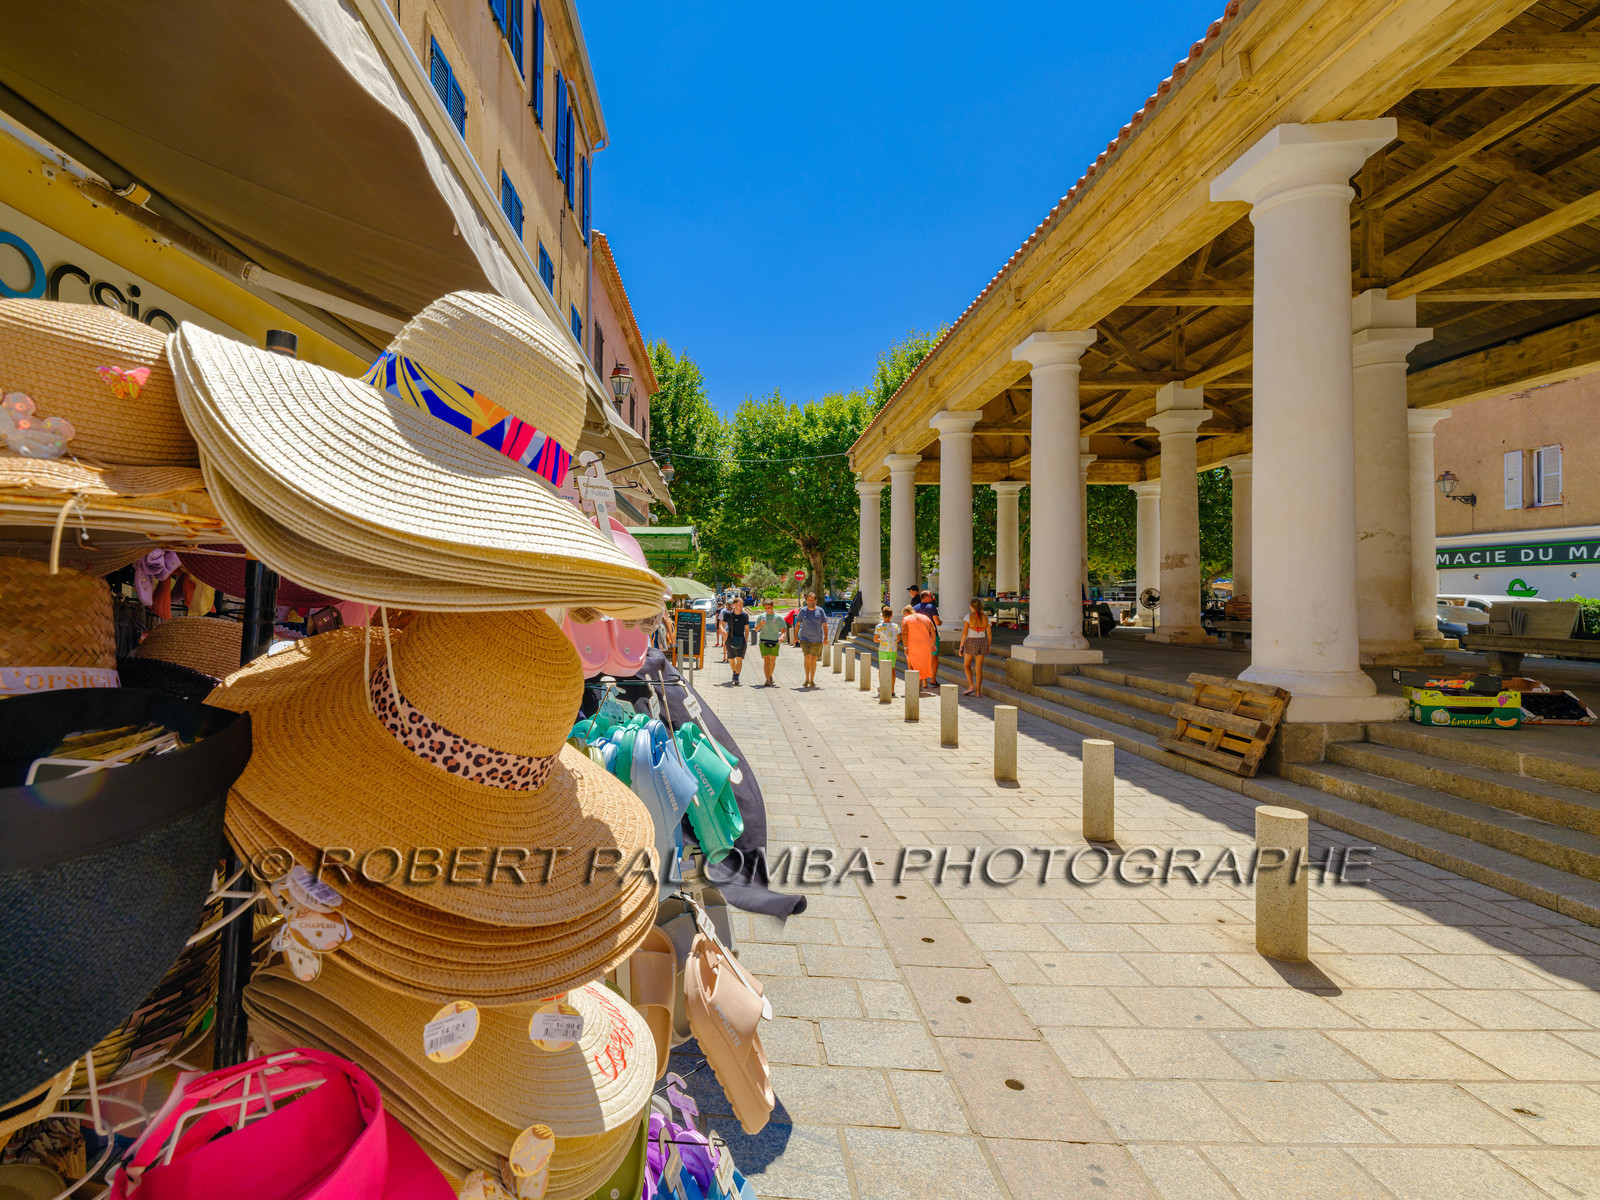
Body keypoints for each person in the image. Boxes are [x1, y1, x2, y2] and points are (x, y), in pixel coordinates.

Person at [792, 591, 829, 689]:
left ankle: (812, 679)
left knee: (813, 660)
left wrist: (826, 638)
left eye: (812, 600)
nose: (810, 601)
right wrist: (795, 637)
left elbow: (825, 625)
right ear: (806, 601)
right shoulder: (803, 611)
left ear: (815, 601)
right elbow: (798, 625)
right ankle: (807, 678)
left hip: (817, 639)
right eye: (809, 600)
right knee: (807, 657)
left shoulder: (820, 611)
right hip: (805, 638)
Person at [902, 603, 938, 696]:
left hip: (912, 644)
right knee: (921, 665)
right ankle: (918, 686)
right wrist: (933, 643)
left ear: (906, 613)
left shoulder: (906, 619)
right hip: (925, 644)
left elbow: (904, 634)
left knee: (912, 665)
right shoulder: (924, 617)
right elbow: (933, 630)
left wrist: (905, 646)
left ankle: (914, 687)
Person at [960, 596, 992, 698]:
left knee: (966, 665)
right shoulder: (986, 617)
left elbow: (964, 633)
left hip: (971, 641)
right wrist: (988, 645)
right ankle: (978, 692)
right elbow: (989, 635)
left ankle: (971, 685)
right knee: (979, 668)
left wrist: (961, 646)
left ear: (971, 607)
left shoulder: (968, 617)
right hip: (982, 641)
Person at [752, 599, 785, 687]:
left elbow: (783, 629)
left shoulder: (778, 617)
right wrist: (760, 624)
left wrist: (782, 636)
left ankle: (770, 675)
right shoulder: (761, 617)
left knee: (772, 661)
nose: (767, 610)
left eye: (769, 608)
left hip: (775, 641)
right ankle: (767, 680)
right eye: (765, 608)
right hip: (764, 641)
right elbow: (756, 629)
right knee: (767, 660)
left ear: (772, 607)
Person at [874, 606, 900, 699]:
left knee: (882, 668)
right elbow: (898, 639)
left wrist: (882, 640)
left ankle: (882, 687)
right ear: (891, 616)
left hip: (883, 650)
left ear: (882, 616)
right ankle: (892, 689)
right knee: (892, 669)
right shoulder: (895, 626)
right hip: (892, 650)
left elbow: (875, 639)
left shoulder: (879, 627)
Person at [723, 596, 750, 685]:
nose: (741, 606)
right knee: (731, 659)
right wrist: (723, 630)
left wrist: (746, 639)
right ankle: (734, 672)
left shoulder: (745, 615)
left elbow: (746, 628)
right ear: (734, 605)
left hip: (741, 639)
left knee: (739, 658)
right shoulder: (728, 614)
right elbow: (721, 624)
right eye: (739, 604)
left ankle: (737, 676)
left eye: (742, 604)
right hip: (730, 639)